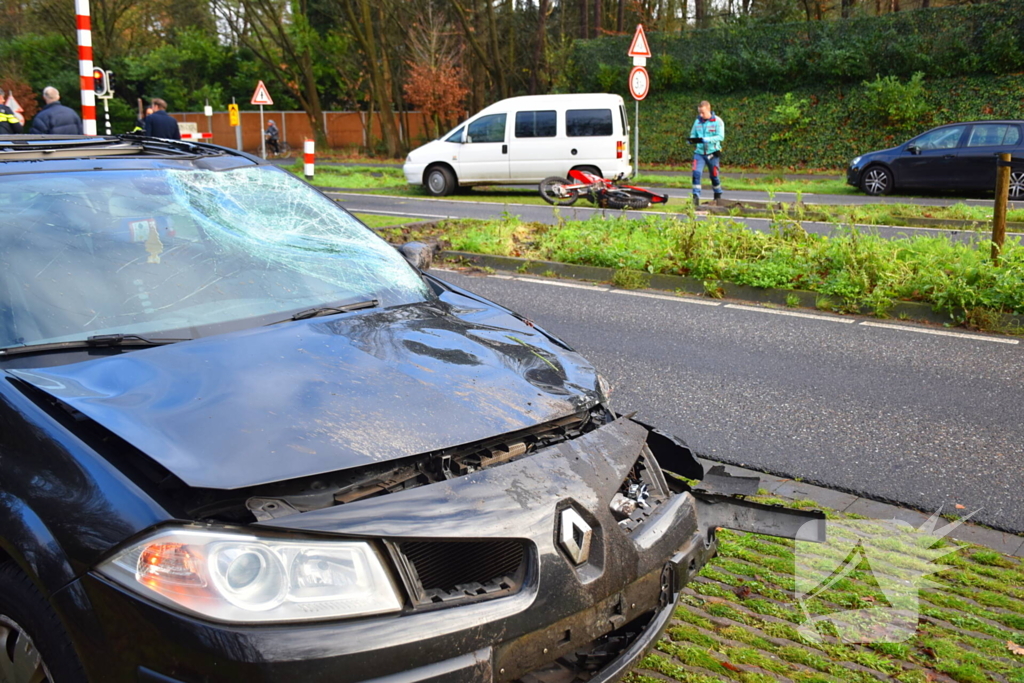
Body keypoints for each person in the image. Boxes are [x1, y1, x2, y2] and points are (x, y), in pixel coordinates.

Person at [689, 100, 725, 207]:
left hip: (712, 153)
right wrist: (692, 140)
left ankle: (717, 195)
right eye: (699, 112)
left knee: (714, 176)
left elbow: (720, 137)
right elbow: (693, 134)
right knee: (696, 173)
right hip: (699, 153)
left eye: (703, 112)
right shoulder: (697, 122)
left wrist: (707, 139)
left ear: (709, 110)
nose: (701, 115)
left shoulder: (717, 121)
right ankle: (695, 198)